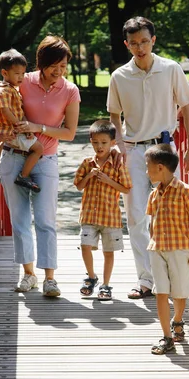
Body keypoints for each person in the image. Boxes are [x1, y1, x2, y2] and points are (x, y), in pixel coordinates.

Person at [107, 16, 189, 300]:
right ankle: (146, 280)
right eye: (134, 43)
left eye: (144, 41)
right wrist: (119, 146)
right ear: (127, 44)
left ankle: (173, 278)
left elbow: (187, 107)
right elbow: (113, 115)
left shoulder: (171, 69)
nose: (140, 48)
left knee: (174, 212)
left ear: (153, 40)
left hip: (165, 149)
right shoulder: (119, 76)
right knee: (136, 216)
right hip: (133, 150)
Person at [0, 35, 80, 297]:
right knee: (20, 220)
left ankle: (50, 278)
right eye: (54, 66)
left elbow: (69, 133)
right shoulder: (23, 81)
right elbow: (0, 105)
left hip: (46, 160)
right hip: (13, 157)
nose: (59, 71)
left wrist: (39, 128)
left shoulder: (70, 90)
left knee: (45, 220)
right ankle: (28, 274)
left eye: (63, 67)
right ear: (41, 63)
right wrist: (1, 133)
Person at [145, 144, 189, 355]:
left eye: (147, 166)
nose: (146, 171)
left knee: (179, 292)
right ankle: (167, 337)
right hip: (157, 248)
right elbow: (152, 222)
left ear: (160, 168)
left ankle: (177, 320)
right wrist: (153, 241)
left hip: (181, 248)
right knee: (161, 292)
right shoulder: (153, 194)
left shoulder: (186, 191)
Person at [74, 119, 132, 301]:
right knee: (85, 246)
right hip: (89, 215)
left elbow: (126, 188)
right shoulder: (86, 163)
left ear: (113, 143)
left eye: (104, 143)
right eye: (96, 142)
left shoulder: (117, 165)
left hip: (110, 217)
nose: (100, 146)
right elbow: (78, 186)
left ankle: (106, 285)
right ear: (90, 141)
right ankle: (91, 277)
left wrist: (108, 180)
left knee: (109, 252)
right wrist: (90, 176)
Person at [0, 49, 43, 193]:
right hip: (13, 129)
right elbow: (6, 111)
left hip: (14, 130)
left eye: (23, 74)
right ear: (4, 73)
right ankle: (23, 176)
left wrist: (28, 129)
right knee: (38, 149)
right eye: (17, 74)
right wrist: (21, 127)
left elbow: (20, 111)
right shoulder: (2, 92)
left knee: (6, 141)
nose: (21, 77)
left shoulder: (12, 89)